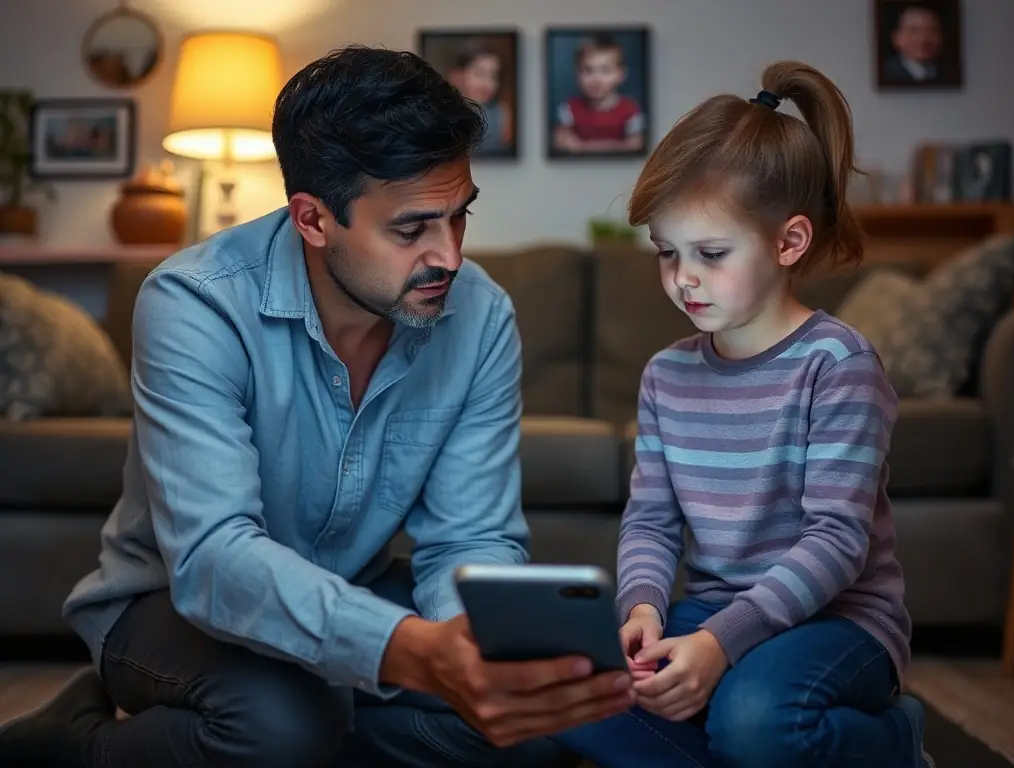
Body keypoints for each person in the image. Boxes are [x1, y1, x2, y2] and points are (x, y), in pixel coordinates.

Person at [0, 46, 634, 768]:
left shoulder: (481, 315)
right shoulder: (195, 303)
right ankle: (74, 740)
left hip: (353, 587)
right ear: (312, 219)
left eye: (460, 217)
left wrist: (471, 658)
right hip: (169, 604)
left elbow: (467, 539)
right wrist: (412, 655)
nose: (450, 255)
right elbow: (212, 559)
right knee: (283, 725)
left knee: (540, 728)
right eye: (411, 228)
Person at [552, 61, 935, 767]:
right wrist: (643, 610)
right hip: (710, 614)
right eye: (668, 254)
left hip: (840, 622)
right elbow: (650, 520)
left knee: (754, 719)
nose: (684, 278)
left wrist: (719, 645)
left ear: (789, 243)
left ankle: (896, 739)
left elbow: (837, 542)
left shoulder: (837, 364)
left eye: (712, 253)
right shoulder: (666, 374)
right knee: (565, 688)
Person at [553, 34, 644, 154]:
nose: (596, 79)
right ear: (577, 73)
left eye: (605, 70)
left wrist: (586, 147)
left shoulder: (631, 109)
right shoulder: (569, 108)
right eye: (588, 70)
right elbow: (561, 141)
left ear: (621, 74)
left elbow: (636, 145)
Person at [448, 42, 513, 155]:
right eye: (480, 74)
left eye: (493, 75)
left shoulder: (502, 113)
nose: (489, 84)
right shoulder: (445, 116)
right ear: (457, 76)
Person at [883, 4, 944, 84]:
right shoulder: (886, 75)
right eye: (914, 32)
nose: (923, 40)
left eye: (931, 31)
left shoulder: (950, 74)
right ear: (897, 39)